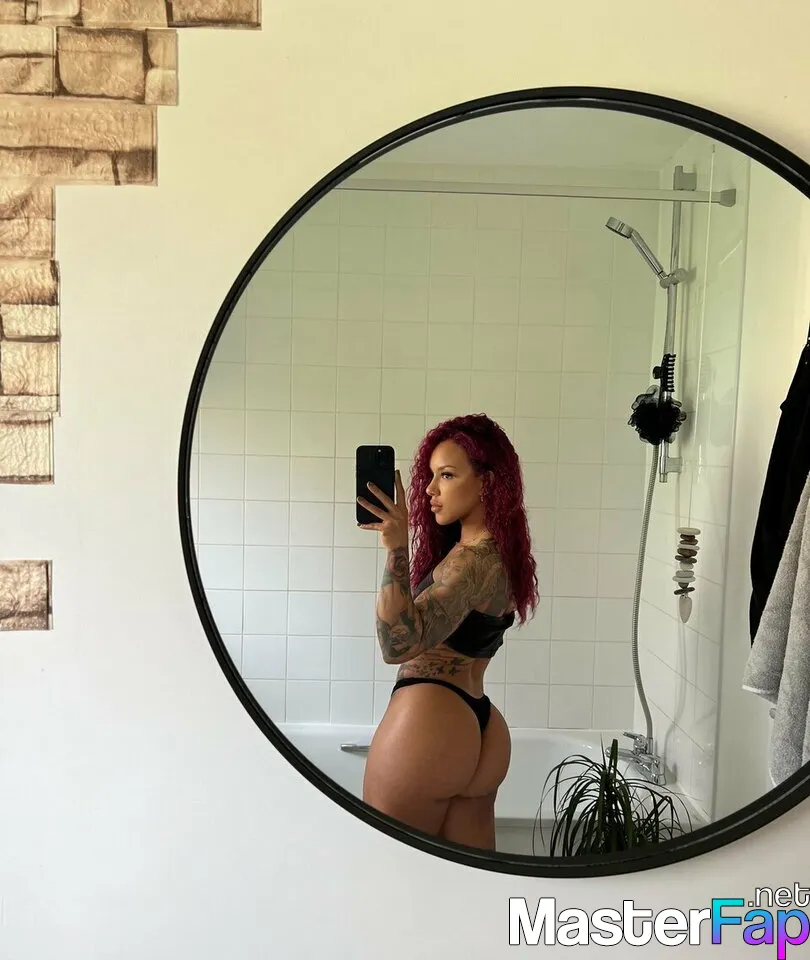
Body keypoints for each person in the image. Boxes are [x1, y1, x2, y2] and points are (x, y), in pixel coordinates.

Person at [356, 413, 539, 850]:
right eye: (432, 476)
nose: (429, 490)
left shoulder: (471, 562)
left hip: (430, 726)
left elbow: (396, 644)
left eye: (447, 475)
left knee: (388, 870)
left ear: (487, 482)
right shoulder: (499, 557)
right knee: (471, 884)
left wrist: (396, 547)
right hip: (481, 728)